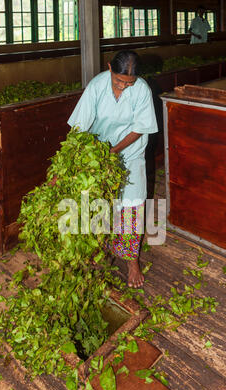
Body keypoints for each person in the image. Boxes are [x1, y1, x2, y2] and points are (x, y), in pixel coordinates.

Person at [67, 50, 158, 288]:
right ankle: (100, 251)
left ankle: (131, 261)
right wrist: (72, 160)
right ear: (109, 68)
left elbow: (140, 128)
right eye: (119, 81)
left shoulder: (141, 90)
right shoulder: (96, 86)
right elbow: (78, 126)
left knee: (132, 204)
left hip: (129, 152)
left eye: (129, 82)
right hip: (99, 154)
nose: (123, 86)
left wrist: (115, 151)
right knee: (99, 202)